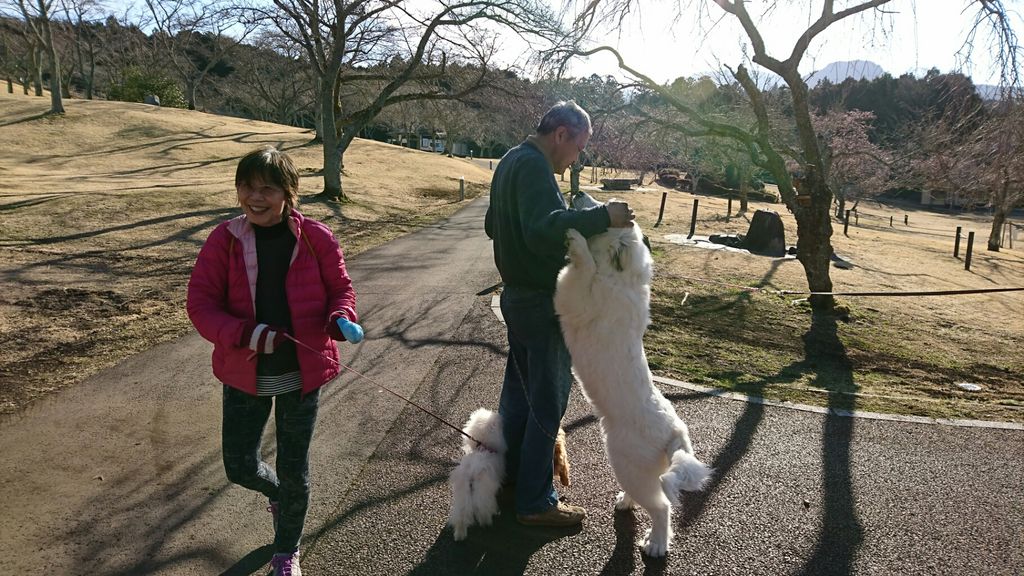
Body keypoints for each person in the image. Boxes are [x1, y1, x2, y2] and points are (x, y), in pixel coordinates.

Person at [187, 146, 364, 576]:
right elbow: (201, 305)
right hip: (244, 372)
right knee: (240, 466)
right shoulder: (224, 240)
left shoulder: (316, 237)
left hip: (302, 375)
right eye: (247, 187)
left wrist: (341, 317)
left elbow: (341, 289)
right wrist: (247, 334)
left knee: (294, 467)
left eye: (267, 188)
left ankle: (287, 551)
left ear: (288, 192)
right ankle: (280, 495)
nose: (255, 197)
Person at [484, 100, 635, 527]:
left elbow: (494, 225)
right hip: (541, 302)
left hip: (515, 298)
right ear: (561, 134)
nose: (576, 159)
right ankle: (535, 502)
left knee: (519, 398)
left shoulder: (509, 161)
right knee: (547, 404)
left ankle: (512, 480)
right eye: (578, 148)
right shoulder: (534, 166)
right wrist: (603, 216)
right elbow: (542, 229)